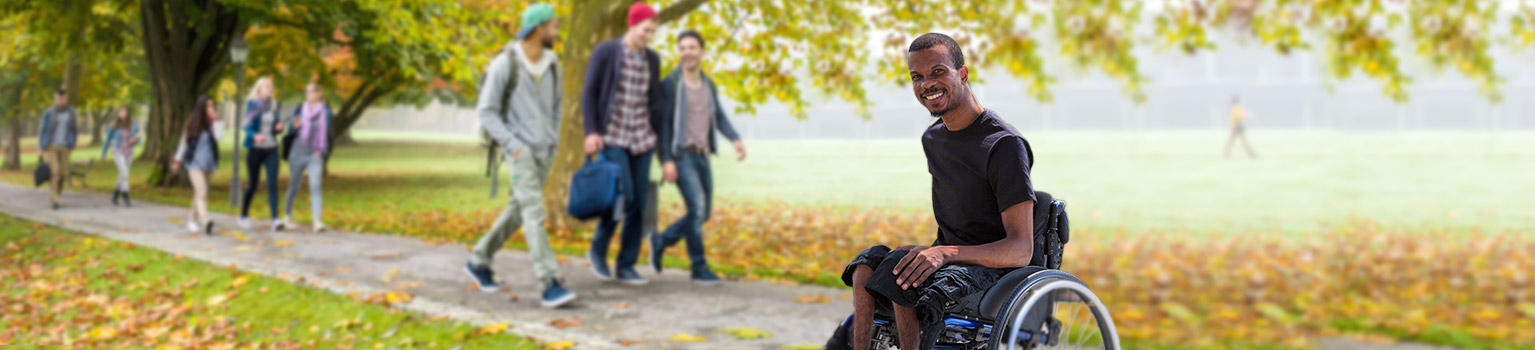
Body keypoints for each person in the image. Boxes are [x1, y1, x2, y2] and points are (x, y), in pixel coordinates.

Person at [843, 33, 1038, 350]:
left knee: (903, 280)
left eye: (937, 71)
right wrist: (929, 250)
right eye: (916, 77)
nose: (926, 84)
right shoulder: (933, 138)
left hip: (991, 270)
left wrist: (943, 253)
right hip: (947, 257)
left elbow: (1020, 250)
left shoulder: (1003, 145)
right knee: (866, 267)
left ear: (962, 74)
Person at [462, 3, 575, 308]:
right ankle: (549, 281)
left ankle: (479, 260)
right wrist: (514, 145)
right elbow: (486, 112)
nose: (557, 30)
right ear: (539, 29)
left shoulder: (554, 65)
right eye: (553, 25)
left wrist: (551, 142)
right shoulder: (505, 63)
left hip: (545, 151)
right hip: (519, 151)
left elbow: (556, 109)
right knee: (534, 213)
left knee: (519, 210)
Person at [649, 29, 746, 285]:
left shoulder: (707, 84)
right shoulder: (670, 83)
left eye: (692, 47)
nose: (687, 52)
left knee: (703, 213)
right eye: (682, 48)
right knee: (697, 208)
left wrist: (735, 138)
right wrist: (667, 159)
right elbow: (664, 125)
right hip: (681, 155)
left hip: (703, 156)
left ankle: (661, 240)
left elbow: (720, 117)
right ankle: (698, 266)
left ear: (701, 51)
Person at [581, 1, 667, 286]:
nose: (648, 37)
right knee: (623, 196)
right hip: (613, 136)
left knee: (640, 203)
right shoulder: (606, 52)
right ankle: (597, 248)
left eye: (652, 32)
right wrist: (591, 131)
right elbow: (589, 93)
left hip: (641, 139)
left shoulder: (652, 59)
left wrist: (659, 140)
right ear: (632, 25)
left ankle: (626, 265)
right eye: (645, 30)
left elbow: (654, 101)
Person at [239, 77, 286, 230]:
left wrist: (279, 128)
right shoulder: (252, 104)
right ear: (259, 89)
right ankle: (244, 215)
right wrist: (255, 136)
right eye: (266, 86)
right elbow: (247, 126)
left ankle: (275, 220)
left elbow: (273, 129)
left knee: (272, 183)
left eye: (270, 86)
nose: (269, 89)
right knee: (253, 184)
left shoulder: (275, 105)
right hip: (255, 149)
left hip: (271, 148)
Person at [283, 83, 330, 233]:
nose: (309, 93)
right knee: (294, 186)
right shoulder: (299, 108)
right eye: (307, 91)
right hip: (297, 152)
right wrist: (295, 125)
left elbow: (329, 133)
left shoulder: (325, 111)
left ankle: (317, 222)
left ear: (319, 93)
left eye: (312, 91)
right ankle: (287, 216)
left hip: (314, 154)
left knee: (315, 185)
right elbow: (291, 128)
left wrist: (322, 151)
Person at [172, 95, 221, 236]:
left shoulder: (213, 124)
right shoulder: (192, 124)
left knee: (199, 193)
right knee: (201, 192)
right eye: (208, 106)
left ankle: (192, 221)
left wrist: (215, 121)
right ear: (201, 108)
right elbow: (183, 143)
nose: (211, 109)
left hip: (210, 164)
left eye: (212, 105)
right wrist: (177, 160)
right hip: (194, 164)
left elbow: (220, 137)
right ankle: (206, 221)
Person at [37, 89, 78, 210]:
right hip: (51, 146)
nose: (61, 100)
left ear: (66, 98)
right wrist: (40, 146)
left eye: (63, 98)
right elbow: (42, 130)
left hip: (65, 147)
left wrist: (72, 143)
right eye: (58, 98)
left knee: (63, 173)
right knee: (54, 172)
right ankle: (54, 200)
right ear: (55, 98)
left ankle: (57, 195)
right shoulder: (48, 113)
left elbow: (74, 130)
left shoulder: (71, 112)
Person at [99, 106, 139, 207]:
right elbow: (108, 140)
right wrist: (103, 153)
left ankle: (115, 195)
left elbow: (138, 139)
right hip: (117, 151)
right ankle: (126, 197)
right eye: (120, 112)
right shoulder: (114, 125)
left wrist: (134, 140)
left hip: (129, 152)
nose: (121, 113)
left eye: (123, 111)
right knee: (124, 173)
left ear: (127, 113)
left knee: (123, 175)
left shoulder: (134, 125)